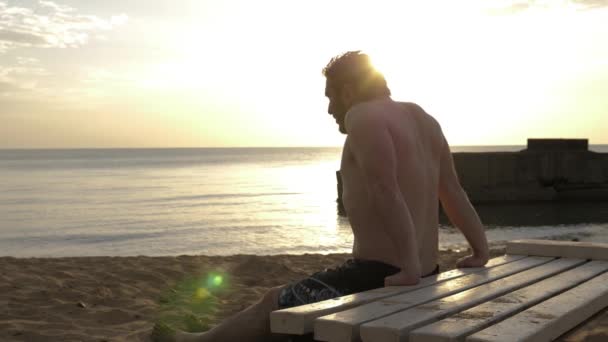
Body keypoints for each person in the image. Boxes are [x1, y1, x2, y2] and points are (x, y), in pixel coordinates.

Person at [152, 51, 489, 342]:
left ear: (348, 90)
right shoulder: (423, 118)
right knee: (284, 301)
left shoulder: (363, 115)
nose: (329, 108)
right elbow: (452, 191)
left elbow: (385, 188)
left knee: (275, 302)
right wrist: (479, 249)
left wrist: (408, 268)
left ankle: (199, 341)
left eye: (330, 96)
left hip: (379, 274)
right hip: (425, 270)